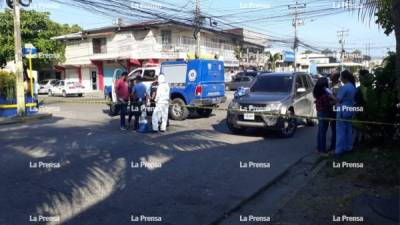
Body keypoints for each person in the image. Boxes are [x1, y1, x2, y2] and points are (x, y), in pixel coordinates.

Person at [335, 70, 357, 156]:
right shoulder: (352, 86)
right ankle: (349, 147)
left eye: (341, 77)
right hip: (349, 110)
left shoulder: (344, 88)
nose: (340, 79)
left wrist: (331, 95)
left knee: (340, 131)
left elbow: (338, 100)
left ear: (345, 78)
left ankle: (339, 151)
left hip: (342, 111)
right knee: (348, 130)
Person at [313, 77, 335, 154]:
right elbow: (327, 105)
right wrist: (333, 102)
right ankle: (322, 150)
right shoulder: (325, 92)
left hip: (319, 112)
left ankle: (318, 148)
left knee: (320, 131)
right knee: (323, 132)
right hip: (325, 113)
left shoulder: (316, 91)